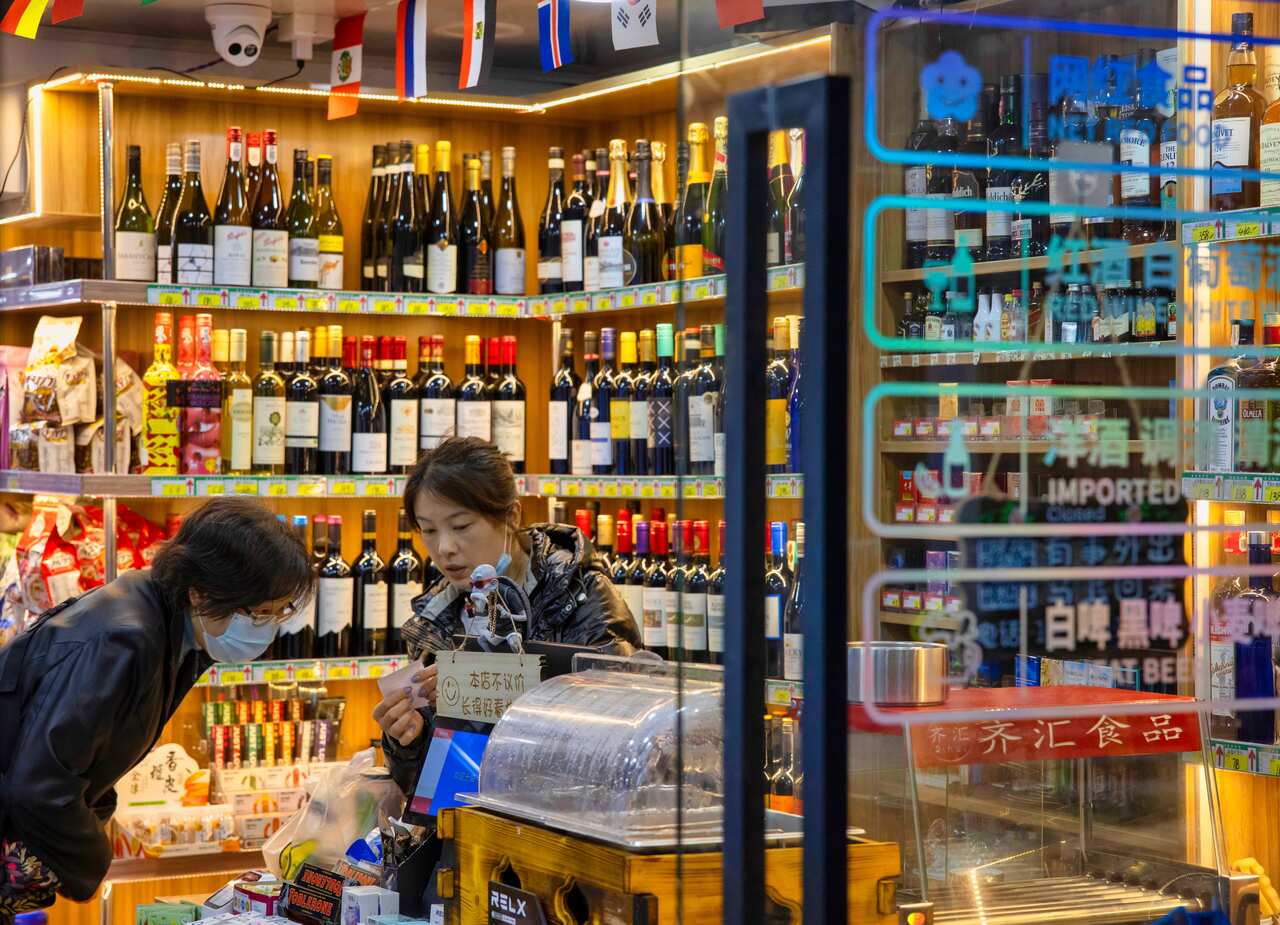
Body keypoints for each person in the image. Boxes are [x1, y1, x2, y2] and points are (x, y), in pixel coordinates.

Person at [0, 498, 312, 917]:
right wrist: (92, 860)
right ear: (201, 591)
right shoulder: (125, 641)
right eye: (258, 613)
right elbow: (40, 783)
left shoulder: (173, 627)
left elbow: (87, 752)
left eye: (279, 613)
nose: (268, 628)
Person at [373, 437, 640, 795]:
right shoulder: (435, 620)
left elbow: (623, 730)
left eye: (462, 526)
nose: (444, 548)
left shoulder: (580, 593)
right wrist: (408, 742)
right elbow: (431, 788)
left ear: (511, 516)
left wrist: (494, 691)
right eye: (429, 530)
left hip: (563, 828)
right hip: (478, 832)